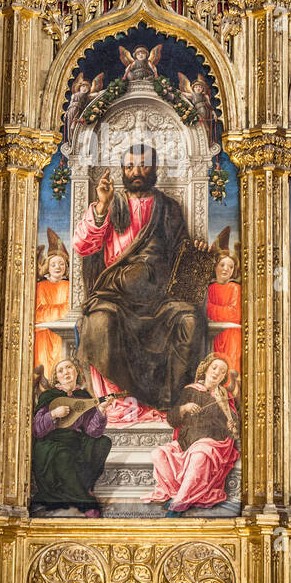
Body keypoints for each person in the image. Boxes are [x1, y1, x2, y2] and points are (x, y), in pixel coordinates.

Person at [73, 143, 208, 415]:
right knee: (100, 322)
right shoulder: (109, 204)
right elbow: (82, 245)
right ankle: (120, 403)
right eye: (129, 166)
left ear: (155, 168)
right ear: (122, 170)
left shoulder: (168, 208)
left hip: (159, 299)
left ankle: (173, 400)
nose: (136, 171)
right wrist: (101, 205)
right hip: (115, 296)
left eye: (143, 165)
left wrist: (196, 255)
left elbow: (179, 255)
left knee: (191, 320)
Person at [146, 355, 240, 514]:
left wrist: (231, 422)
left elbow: (233, 427)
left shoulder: (224, 396)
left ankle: (178, 504)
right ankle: (180, 491)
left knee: (200, 455)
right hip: (185, 443)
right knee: (157, 453)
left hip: (210, 444)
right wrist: (184, 408)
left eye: (222, 371)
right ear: (207, 369)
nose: (217, 372)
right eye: (214, 368)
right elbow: (172, 419)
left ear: (224, 377)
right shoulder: (190, 390)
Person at [31, 357, 112, 516]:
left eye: (69, 368)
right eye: (60, 370)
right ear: (57, 378)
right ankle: (87, 503)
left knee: (103, 442)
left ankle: (83, 486)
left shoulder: (83, 397)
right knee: (63, 454)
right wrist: (54, 414)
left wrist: (101, 410)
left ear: (76, 372)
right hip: (51, 442)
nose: (65, 372)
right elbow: (36, 429)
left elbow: (93, 431)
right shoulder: (49, 397)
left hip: (75, 440)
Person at [34, 232, 71, 386]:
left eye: (61, 263)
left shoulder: (68, 286)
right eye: (54, 264)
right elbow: (38, 314)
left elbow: (72, 309)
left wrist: (57, 311)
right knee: (44, 374)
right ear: (47, 266)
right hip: (44, 337)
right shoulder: (40, 287)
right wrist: (61, 310)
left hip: (62, 336)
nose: (58, 267)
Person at [206, 230, 241, 377]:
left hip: (231, 337)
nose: (226, 269)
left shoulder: (235, 288)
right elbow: (205, 308)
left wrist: (212, 310)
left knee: (230, 372)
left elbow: (233, 314)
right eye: (222, 265)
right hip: (214, 336)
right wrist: (217, 311)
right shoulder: (210, 288)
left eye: (230, 266)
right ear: (215, 267)